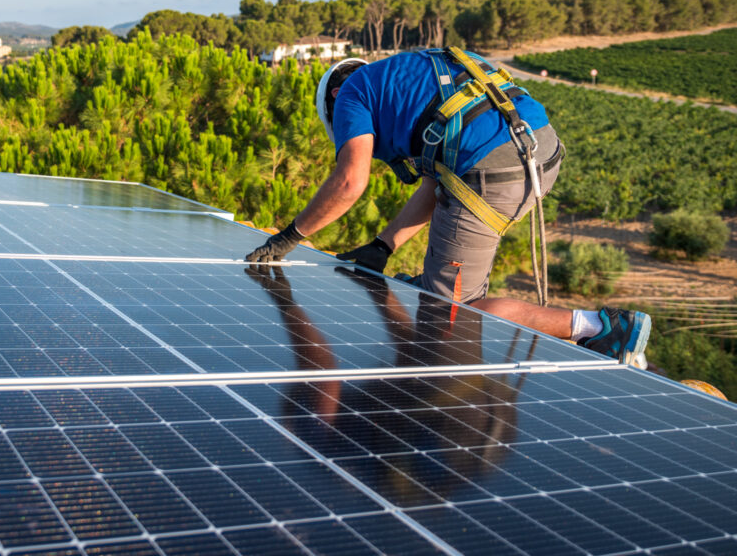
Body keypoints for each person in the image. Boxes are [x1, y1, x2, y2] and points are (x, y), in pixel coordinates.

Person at [245, 48, 651, 364]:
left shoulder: (352, 92)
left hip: (494, 170)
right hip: (539, 152)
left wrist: (287, 237)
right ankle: (432, 299)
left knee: (452, 311)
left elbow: (350, 181)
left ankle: (600, 327)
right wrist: (383, 246)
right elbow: (441, 184)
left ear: (335, 94)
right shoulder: (411, 76)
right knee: (436, 286)